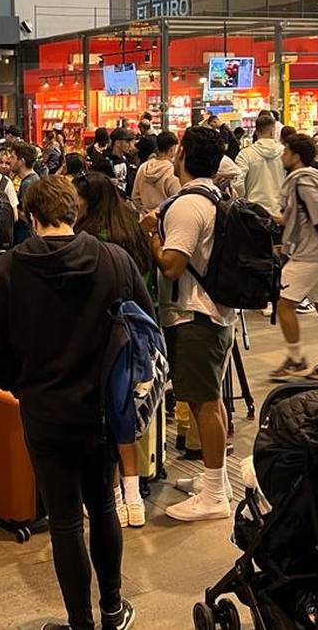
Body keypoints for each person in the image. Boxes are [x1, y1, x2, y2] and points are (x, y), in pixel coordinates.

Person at [0, 176, 143, 630]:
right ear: (75, 212)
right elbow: (146, 330)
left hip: (45, 412)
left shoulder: (10, 268)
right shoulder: (114, 259)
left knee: (66, 521)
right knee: (104, 506)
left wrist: (22, 387)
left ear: (30, 218)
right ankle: (112, 608)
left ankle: (81, 623)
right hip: (103, 412)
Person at [140, 126, 235, 521]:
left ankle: (214, 496)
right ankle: (219, 480)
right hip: (214, 310)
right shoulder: (214, 195)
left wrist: (151, 236)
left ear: (181, 155)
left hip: (195, 314)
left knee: (204, 403)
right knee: (208, 399)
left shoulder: (185, 206)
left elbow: (172, 266)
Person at [73, 171, 154, 529]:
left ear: (88, 202)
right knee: (125, 412)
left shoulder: (87, 239)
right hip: (135, 333)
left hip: (100, 336)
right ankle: (134, 497)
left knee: (102, 416)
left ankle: (113, 493)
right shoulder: (132, 229)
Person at [269, 133, 318, 383]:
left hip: (310, 255)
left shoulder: (304, 183)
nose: (282, 156)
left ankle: (295, 360)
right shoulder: (308, 179)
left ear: (296, 156)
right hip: (316, 253)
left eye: (285, 152)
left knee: (284, 303)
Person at [234, 113, 285, 216]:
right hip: (279, 211)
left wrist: (244, 200)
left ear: (256, 132)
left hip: (254, 214)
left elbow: (238, 183)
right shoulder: (285, 152)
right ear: (273, 131)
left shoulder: (245, 154)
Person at [131, 130, 181, 212]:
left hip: (145, 219)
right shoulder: (171, 172)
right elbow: (177, 201)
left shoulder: (143, 167)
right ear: (172, 149)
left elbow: (135, 197)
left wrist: (145, 211)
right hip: (165, 220)